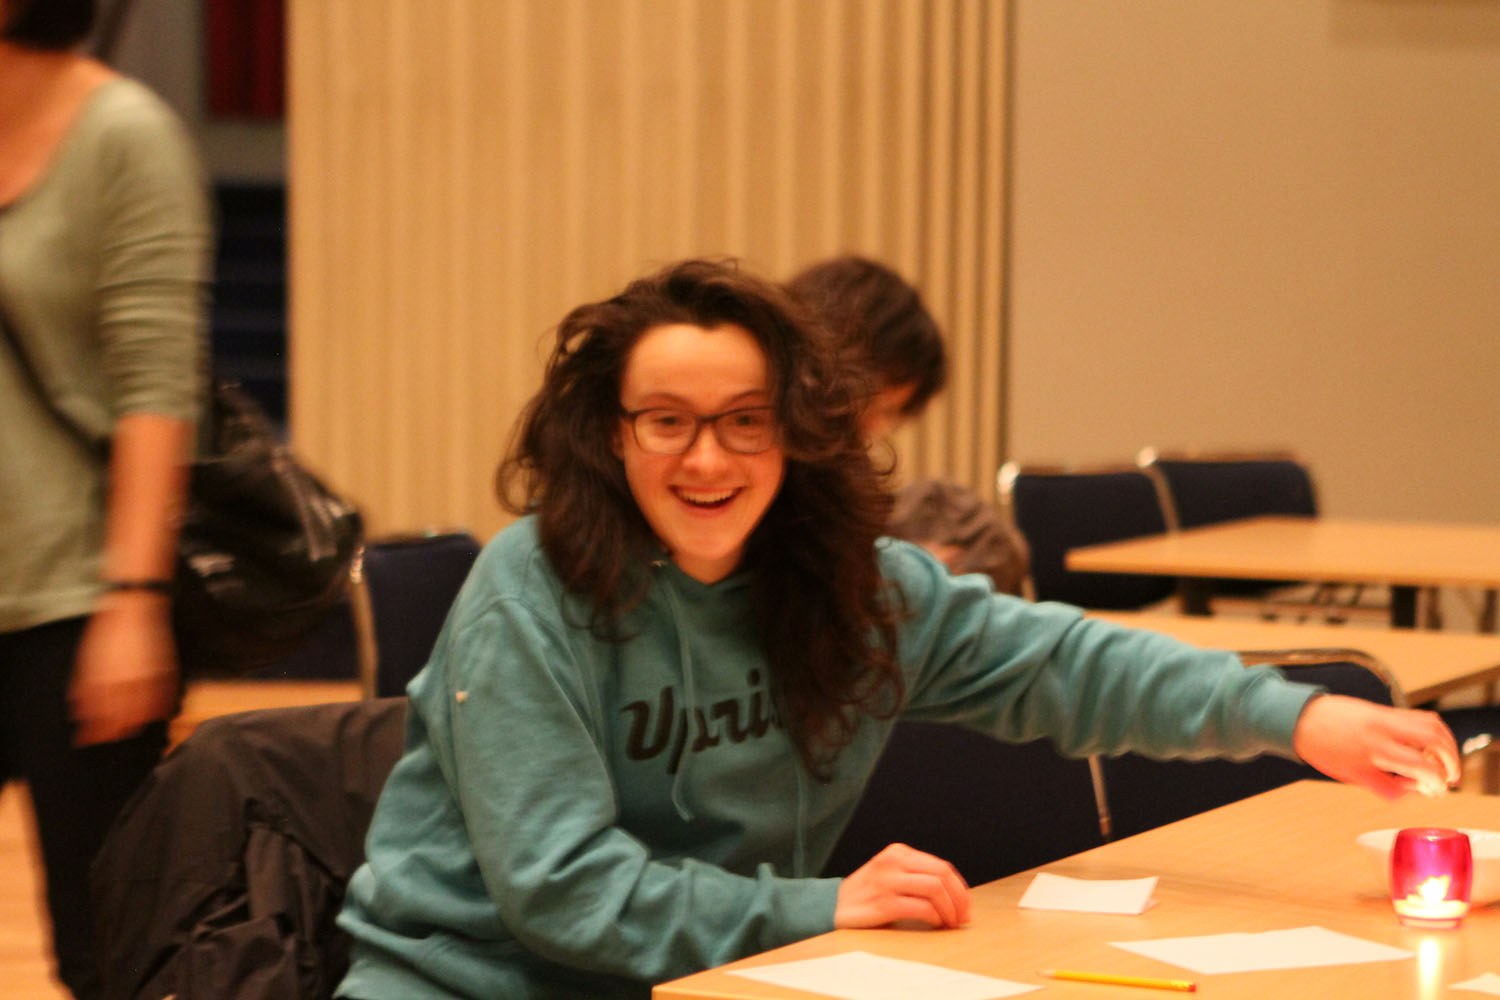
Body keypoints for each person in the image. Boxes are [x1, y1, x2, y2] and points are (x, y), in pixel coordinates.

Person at [337, 258, 1457, 1000]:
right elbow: (563, 892)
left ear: (798, 433)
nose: (707, 458)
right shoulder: (534, 588)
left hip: (717, 980)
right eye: (667, 421)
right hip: (469, 982)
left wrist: (1295, 716)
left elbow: (1063, 664)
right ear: (610, 435)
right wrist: (818, 906)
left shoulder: (853, 585)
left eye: (745, 421)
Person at [0, 1, 209, 995]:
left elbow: (157, 387)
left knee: (107, 950)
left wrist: (133, 599)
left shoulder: (125, 137)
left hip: (76, 598)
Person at [786, 253, 1029, 595]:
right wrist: (905, 574)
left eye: (889, 413)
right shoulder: (771, 453)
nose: (871, 427)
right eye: (869, 399)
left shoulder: (836, 470)